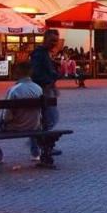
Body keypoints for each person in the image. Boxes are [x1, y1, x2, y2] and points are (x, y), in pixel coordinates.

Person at [0, 61, 43, 165]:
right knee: (35, 122)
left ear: (18, 73)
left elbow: (6, 115)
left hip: (16, 126)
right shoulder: (38, 88)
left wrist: (1, 122)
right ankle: (36, 152)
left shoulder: (14, 90)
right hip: (34, 125)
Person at [29, 28, 62, 159]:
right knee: (51, 118)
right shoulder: (39, 53)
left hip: (46, 89)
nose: (54, 43)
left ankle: (38, 147)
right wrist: (51, 78)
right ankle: (42, 145)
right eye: (52, 40)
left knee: (43, 120)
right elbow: (36, 73)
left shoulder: (45, 53)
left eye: (56, 41)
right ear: (45, 39)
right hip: (43, 90)